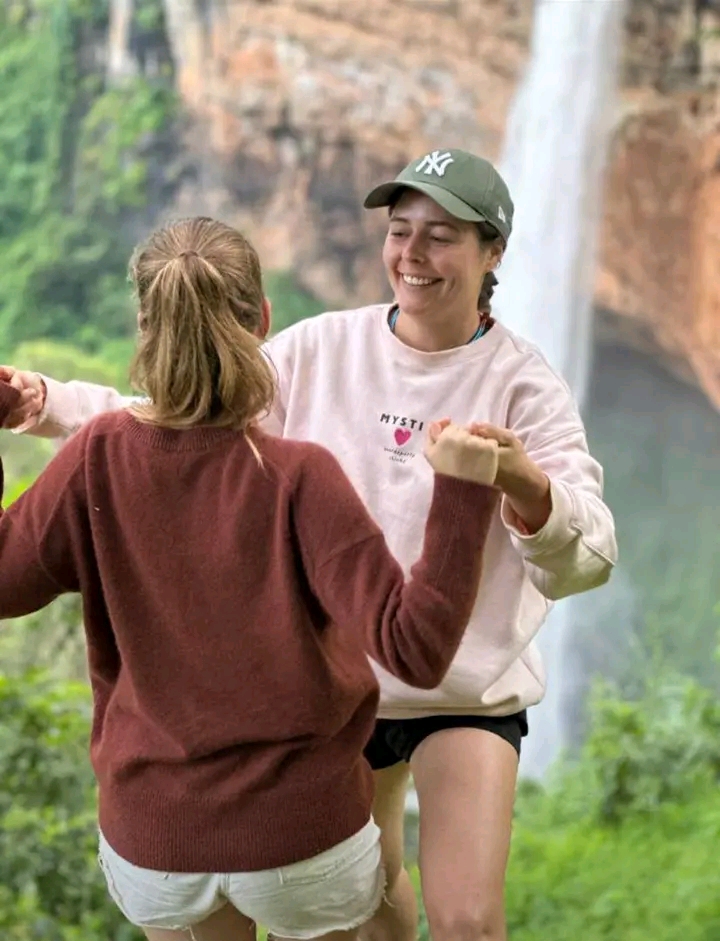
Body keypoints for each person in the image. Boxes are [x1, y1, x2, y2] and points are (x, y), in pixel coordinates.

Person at [2, 150, 617, 941]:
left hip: (458, 686)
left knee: (467, 919)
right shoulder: (319, 348)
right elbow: (180, 424)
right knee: (373, 895)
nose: (413, 255)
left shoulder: (525, 384)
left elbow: (590, 554)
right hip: (341, 692)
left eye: (441, 236)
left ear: (492, 251)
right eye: (400, 232)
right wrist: (49, 402)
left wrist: (523, 482)